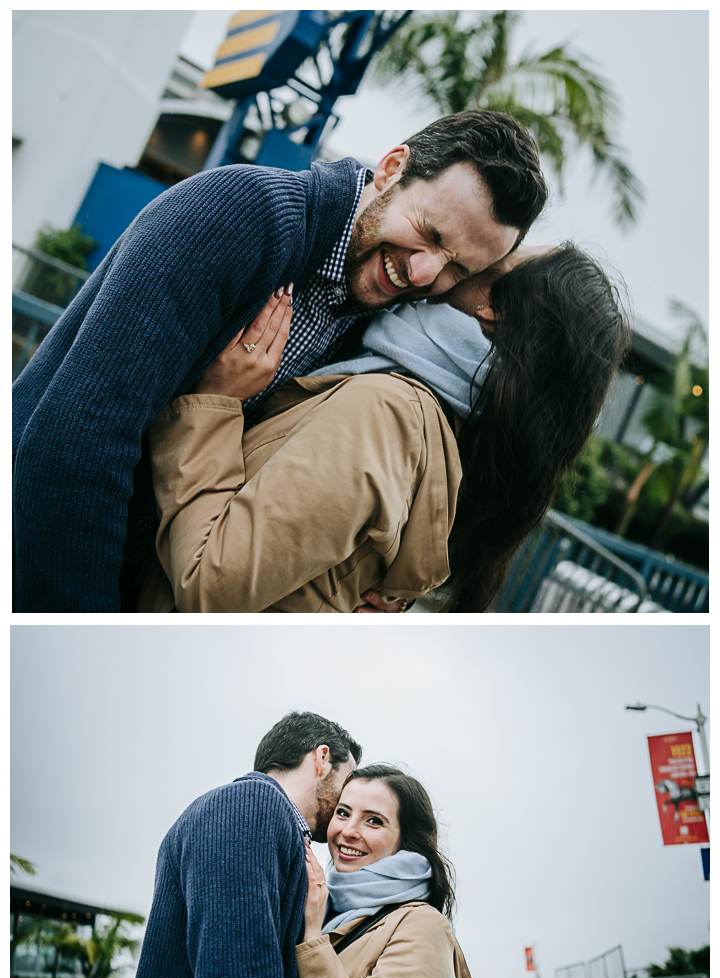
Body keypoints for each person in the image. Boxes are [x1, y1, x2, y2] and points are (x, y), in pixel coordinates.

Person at [12, 109, 548, 612]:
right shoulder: (238, 215)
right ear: (390, 170)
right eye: (430, 233)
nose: (426, 274)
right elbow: (79, 442)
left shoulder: (377, 319)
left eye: (457, 267)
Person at [136, 242, 627, 614]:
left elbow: (211, 582)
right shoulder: (447, 424)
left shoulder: (386, 413)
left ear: (493, 309)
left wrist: (214, 403)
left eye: (499, 260)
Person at [114, 711, 362, 978]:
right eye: (349, 780)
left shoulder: (245, 813)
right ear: (322, 758)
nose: (347, 798)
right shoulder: (250, 806)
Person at [297, 764, 472, 978]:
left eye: (373, 821)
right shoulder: (324, 905)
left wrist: (312, 938)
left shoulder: (423, 926)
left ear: (405, 840)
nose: (348, 831)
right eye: (343, 813)